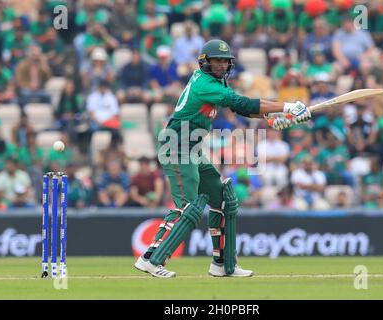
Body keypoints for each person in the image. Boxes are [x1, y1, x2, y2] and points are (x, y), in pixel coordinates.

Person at [134, 39, 312, 278]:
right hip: (176, 146)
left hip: (193, 147)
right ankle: (150, 259)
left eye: (225, 61)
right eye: (216, 61)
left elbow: (242, 109)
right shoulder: (204, 84)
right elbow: (240, 102)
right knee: (187, 206)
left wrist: (273, 118)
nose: (221, 65)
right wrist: (287, 106)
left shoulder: (217, 81)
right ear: (204, 62)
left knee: (224, 201)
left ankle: (222, 264)